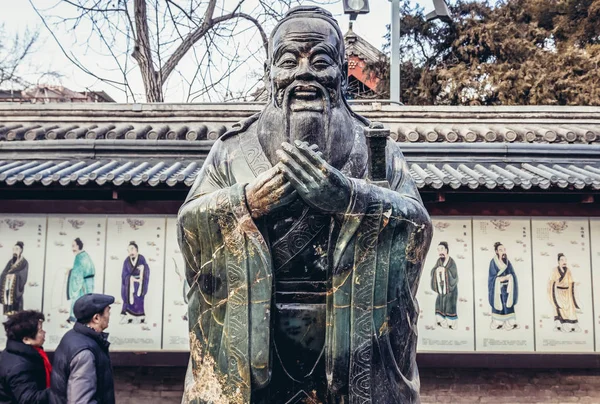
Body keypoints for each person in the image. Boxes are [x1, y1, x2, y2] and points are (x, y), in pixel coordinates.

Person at [177, 6, 432, 403]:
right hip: (254, 346)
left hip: (349, 345)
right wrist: (243, 203)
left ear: (343, 72)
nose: (304, 73)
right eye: (288, 60)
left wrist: (352, 198)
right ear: (269, 74)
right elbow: (189, 226)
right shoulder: (230, 151)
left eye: (321, 60)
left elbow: (417, 227)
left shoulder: (375, 149)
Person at [50, 293, 115, 404]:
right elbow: (81, 401)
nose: (109, 315)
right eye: (108, 311)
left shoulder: (72, 335)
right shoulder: (85, 353)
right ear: (96, 318)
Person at [0, 310, 50, 403]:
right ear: (26, 339)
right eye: (40, 330)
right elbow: (29, 399)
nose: (44, 332)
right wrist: (58, 391)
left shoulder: (20, 351)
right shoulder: (19, 366)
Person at [488, 242, 519, 330]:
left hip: (507, 288)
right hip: (498, 289)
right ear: (496, 251)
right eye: (500, 250)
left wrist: (510, 277)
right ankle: (498, 323)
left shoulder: (507, 262)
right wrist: (500, 279)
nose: (503, 251)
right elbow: (492, 277)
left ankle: (510, 323)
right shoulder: (493, 262)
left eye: (504, 250)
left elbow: (512, 273)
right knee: (499, 306)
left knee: (508, 305)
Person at [548, 253, 582, 332]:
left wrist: (574, 284)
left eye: (565, 260)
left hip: (567, 293)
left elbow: (570, 282)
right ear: (558, 261)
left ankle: (573, 326)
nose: (564, 261)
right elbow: (551, 282)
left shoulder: (568, 270)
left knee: (571, 310)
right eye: (562, 260)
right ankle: (560, 326)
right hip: (558, 293)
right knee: (559, 308)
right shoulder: (554, 270)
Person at [430, 241, 459, 329]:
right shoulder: (439, 261)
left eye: (442, 249)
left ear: (446, 250)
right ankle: (440, 320)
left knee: (450, 305)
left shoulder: (451, 262)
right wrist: (436, 271)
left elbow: (454, 276)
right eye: (438, 250)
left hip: (451, 289)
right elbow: (432, 271)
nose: (440, 252)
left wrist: (444, 271)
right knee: (439, 304)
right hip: (441, 289)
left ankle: (452, 323)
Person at [120, 241, 150, 324]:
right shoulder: (126, 261)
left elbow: (147, 269)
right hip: (130, 285)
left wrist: (143, 268)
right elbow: (124, 274)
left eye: (132, 249)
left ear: (137, 250)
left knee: (139, 300)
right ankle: (129, 317)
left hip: (140, 284)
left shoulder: (141, 258)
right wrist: (129, 278)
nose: (131, 252)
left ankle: (140, 317)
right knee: (130, 300)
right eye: (129, 250)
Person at [66, 238, 95, 323]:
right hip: (87, 281)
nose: (73, 248)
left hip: (82, 282)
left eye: (74, 246)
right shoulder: (85, 255)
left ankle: (74, 317)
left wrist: (71, 272)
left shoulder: (79, 257)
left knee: (78, 299)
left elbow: (78, 272)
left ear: (79, 246)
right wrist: (72, 271)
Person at [1, 241, 29, 315]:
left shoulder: (24, 262)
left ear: (21, 250)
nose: (14, 251)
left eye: (17, 249)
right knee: (7, 314)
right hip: (8, 289)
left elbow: (23, 275)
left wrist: (13, 276)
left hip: (16, 291)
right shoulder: (10, 262)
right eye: (13, 249)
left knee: (16, 314)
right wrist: (6, 276)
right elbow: (4, 273)